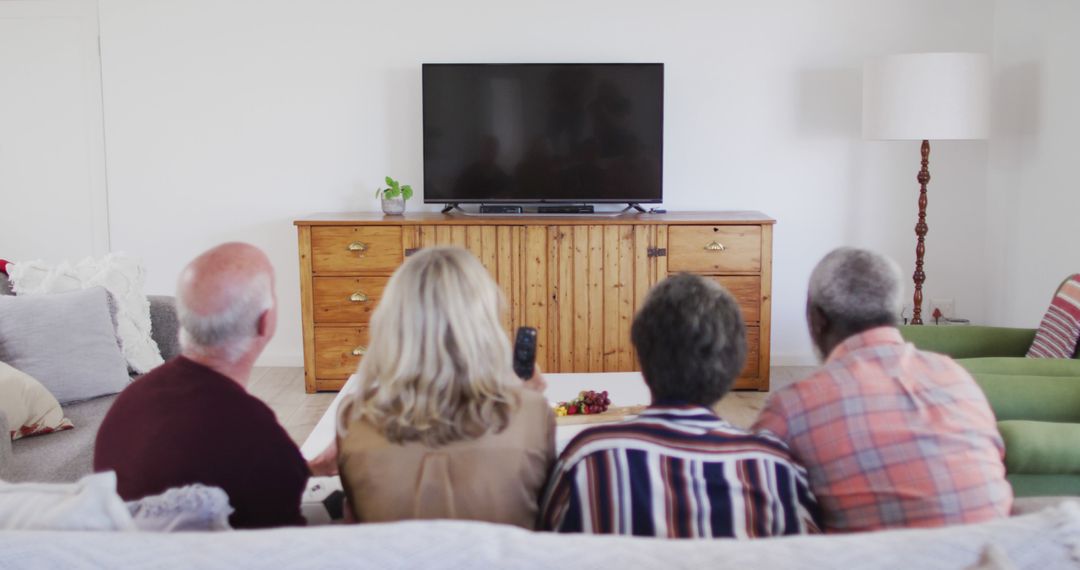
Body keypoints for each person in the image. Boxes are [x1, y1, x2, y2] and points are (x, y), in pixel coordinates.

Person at [539, 274, 820, 538]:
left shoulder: (586, 459)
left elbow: (545, 545)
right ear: (736, 362)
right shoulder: (775, 470)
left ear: (641, 351)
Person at [752, 247, 1012, 533]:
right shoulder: (955, 376)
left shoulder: (794, 406)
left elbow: (745, 491)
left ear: (817, 319)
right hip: (996, 555)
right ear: (893, 309)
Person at [336, 246, 554, 529]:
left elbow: (354, 516)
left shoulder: (353, 414)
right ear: (483, 322)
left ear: (393, 320)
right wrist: (524, 397)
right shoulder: (533, 411)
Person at [95, 243, 310, 529]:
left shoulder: (132, 399)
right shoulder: (251, 430)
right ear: (265, 322)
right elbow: (293, 543)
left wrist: (308, 470)